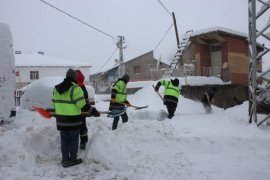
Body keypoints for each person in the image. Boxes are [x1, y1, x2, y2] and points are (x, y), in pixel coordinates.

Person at [52, 68, 100, 168]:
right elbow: (82, 105)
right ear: (74, 77)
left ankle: (65, 161)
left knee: (64, 141)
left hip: (61, 121)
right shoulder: (75, 88)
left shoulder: (56, 88)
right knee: (74, 141)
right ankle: (72, 160)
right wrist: (93, 111)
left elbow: (54, 105)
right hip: (73, 121)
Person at [76, 69, 89, 150]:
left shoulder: (71, 85)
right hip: (81, 111)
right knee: (82, 126)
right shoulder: (82, 86)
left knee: (73, 128)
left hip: (71, 111)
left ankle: (73, 144)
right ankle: (83, 142)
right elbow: (86, 99)